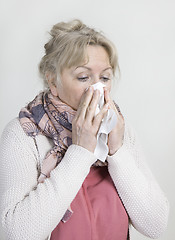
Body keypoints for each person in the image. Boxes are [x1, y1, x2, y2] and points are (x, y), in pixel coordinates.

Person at [0, 19, 169, 240]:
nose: (97, 88)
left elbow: (156, 226)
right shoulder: (24, 133)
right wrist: (80, 152)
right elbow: (19, 233)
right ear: (53, 80)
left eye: (105, 77)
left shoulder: (119, 130)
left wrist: (117, 151)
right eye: (83, 77)